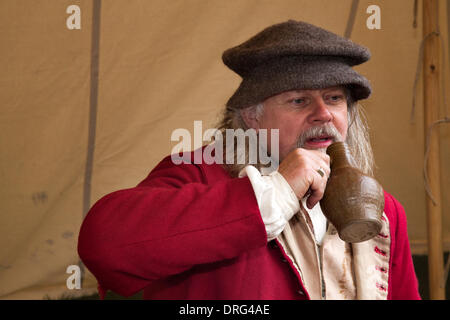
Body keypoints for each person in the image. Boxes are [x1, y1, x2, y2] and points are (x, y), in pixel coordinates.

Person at [78, 20, 421, 300]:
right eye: (299, 101)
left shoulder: (384, 211)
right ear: (253, 118)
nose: (323, 114)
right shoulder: (201, 174)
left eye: (334, 98)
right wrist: (276, 193)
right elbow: (103, 246)